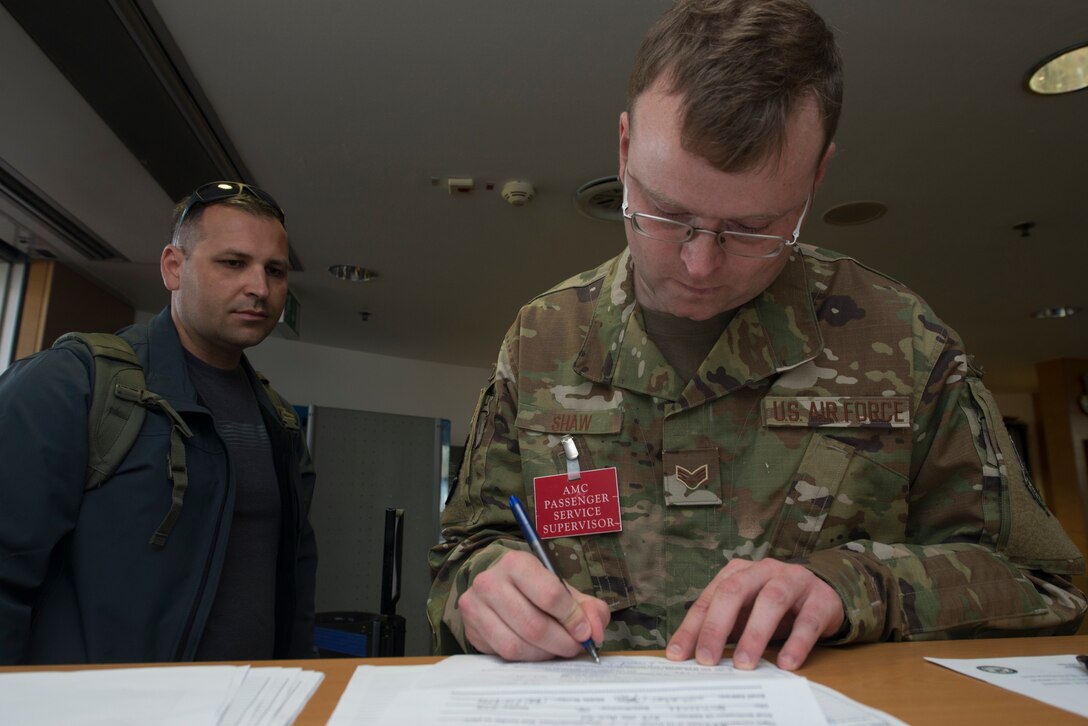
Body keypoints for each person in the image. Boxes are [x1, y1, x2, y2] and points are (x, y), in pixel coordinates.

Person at [428, 0, 1086, 671]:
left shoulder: (906, 343)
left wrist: (854, 586)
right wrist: (479, 593)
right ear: (625, 149)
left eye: (752, 228)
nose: (700, 263)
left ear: (816, 177)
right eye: (666, 212)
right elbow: (462, 558)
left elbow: (1043, 590)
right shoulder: (542, 338)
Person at [0, 181, 317, 664]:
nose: (259, 287)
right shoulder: (73, 382)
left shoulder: (280, 424)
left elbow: (292, 586)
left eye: (274, 270)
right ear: (174, 267)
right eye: (233, 263)